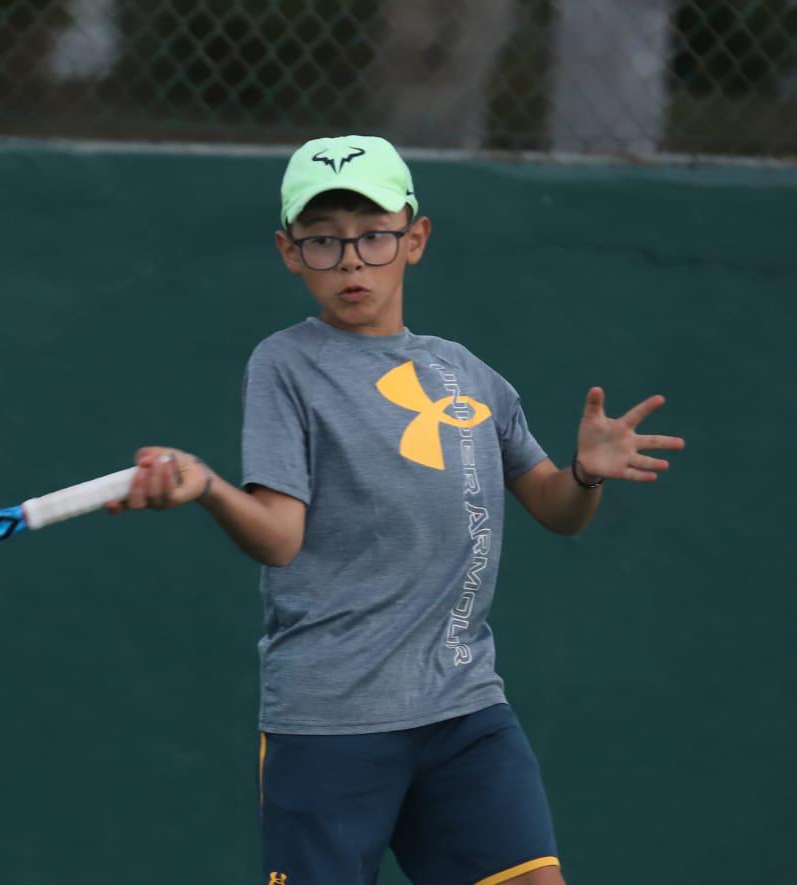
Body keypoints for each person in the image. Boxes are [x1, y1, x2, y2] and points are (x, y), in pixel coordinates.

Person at [104, 135, 685, 885]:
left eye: (373, 235)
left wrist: (584, 473)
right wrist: (210, 486)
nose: (350, 259)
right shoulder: (285, 366)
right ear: (289, 251)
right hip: (331, 725)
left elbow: (554, 506)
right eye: (323, 241)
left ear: (415, 238)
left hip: (464, 710)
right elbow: (280, 538)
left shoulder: (468, 375)